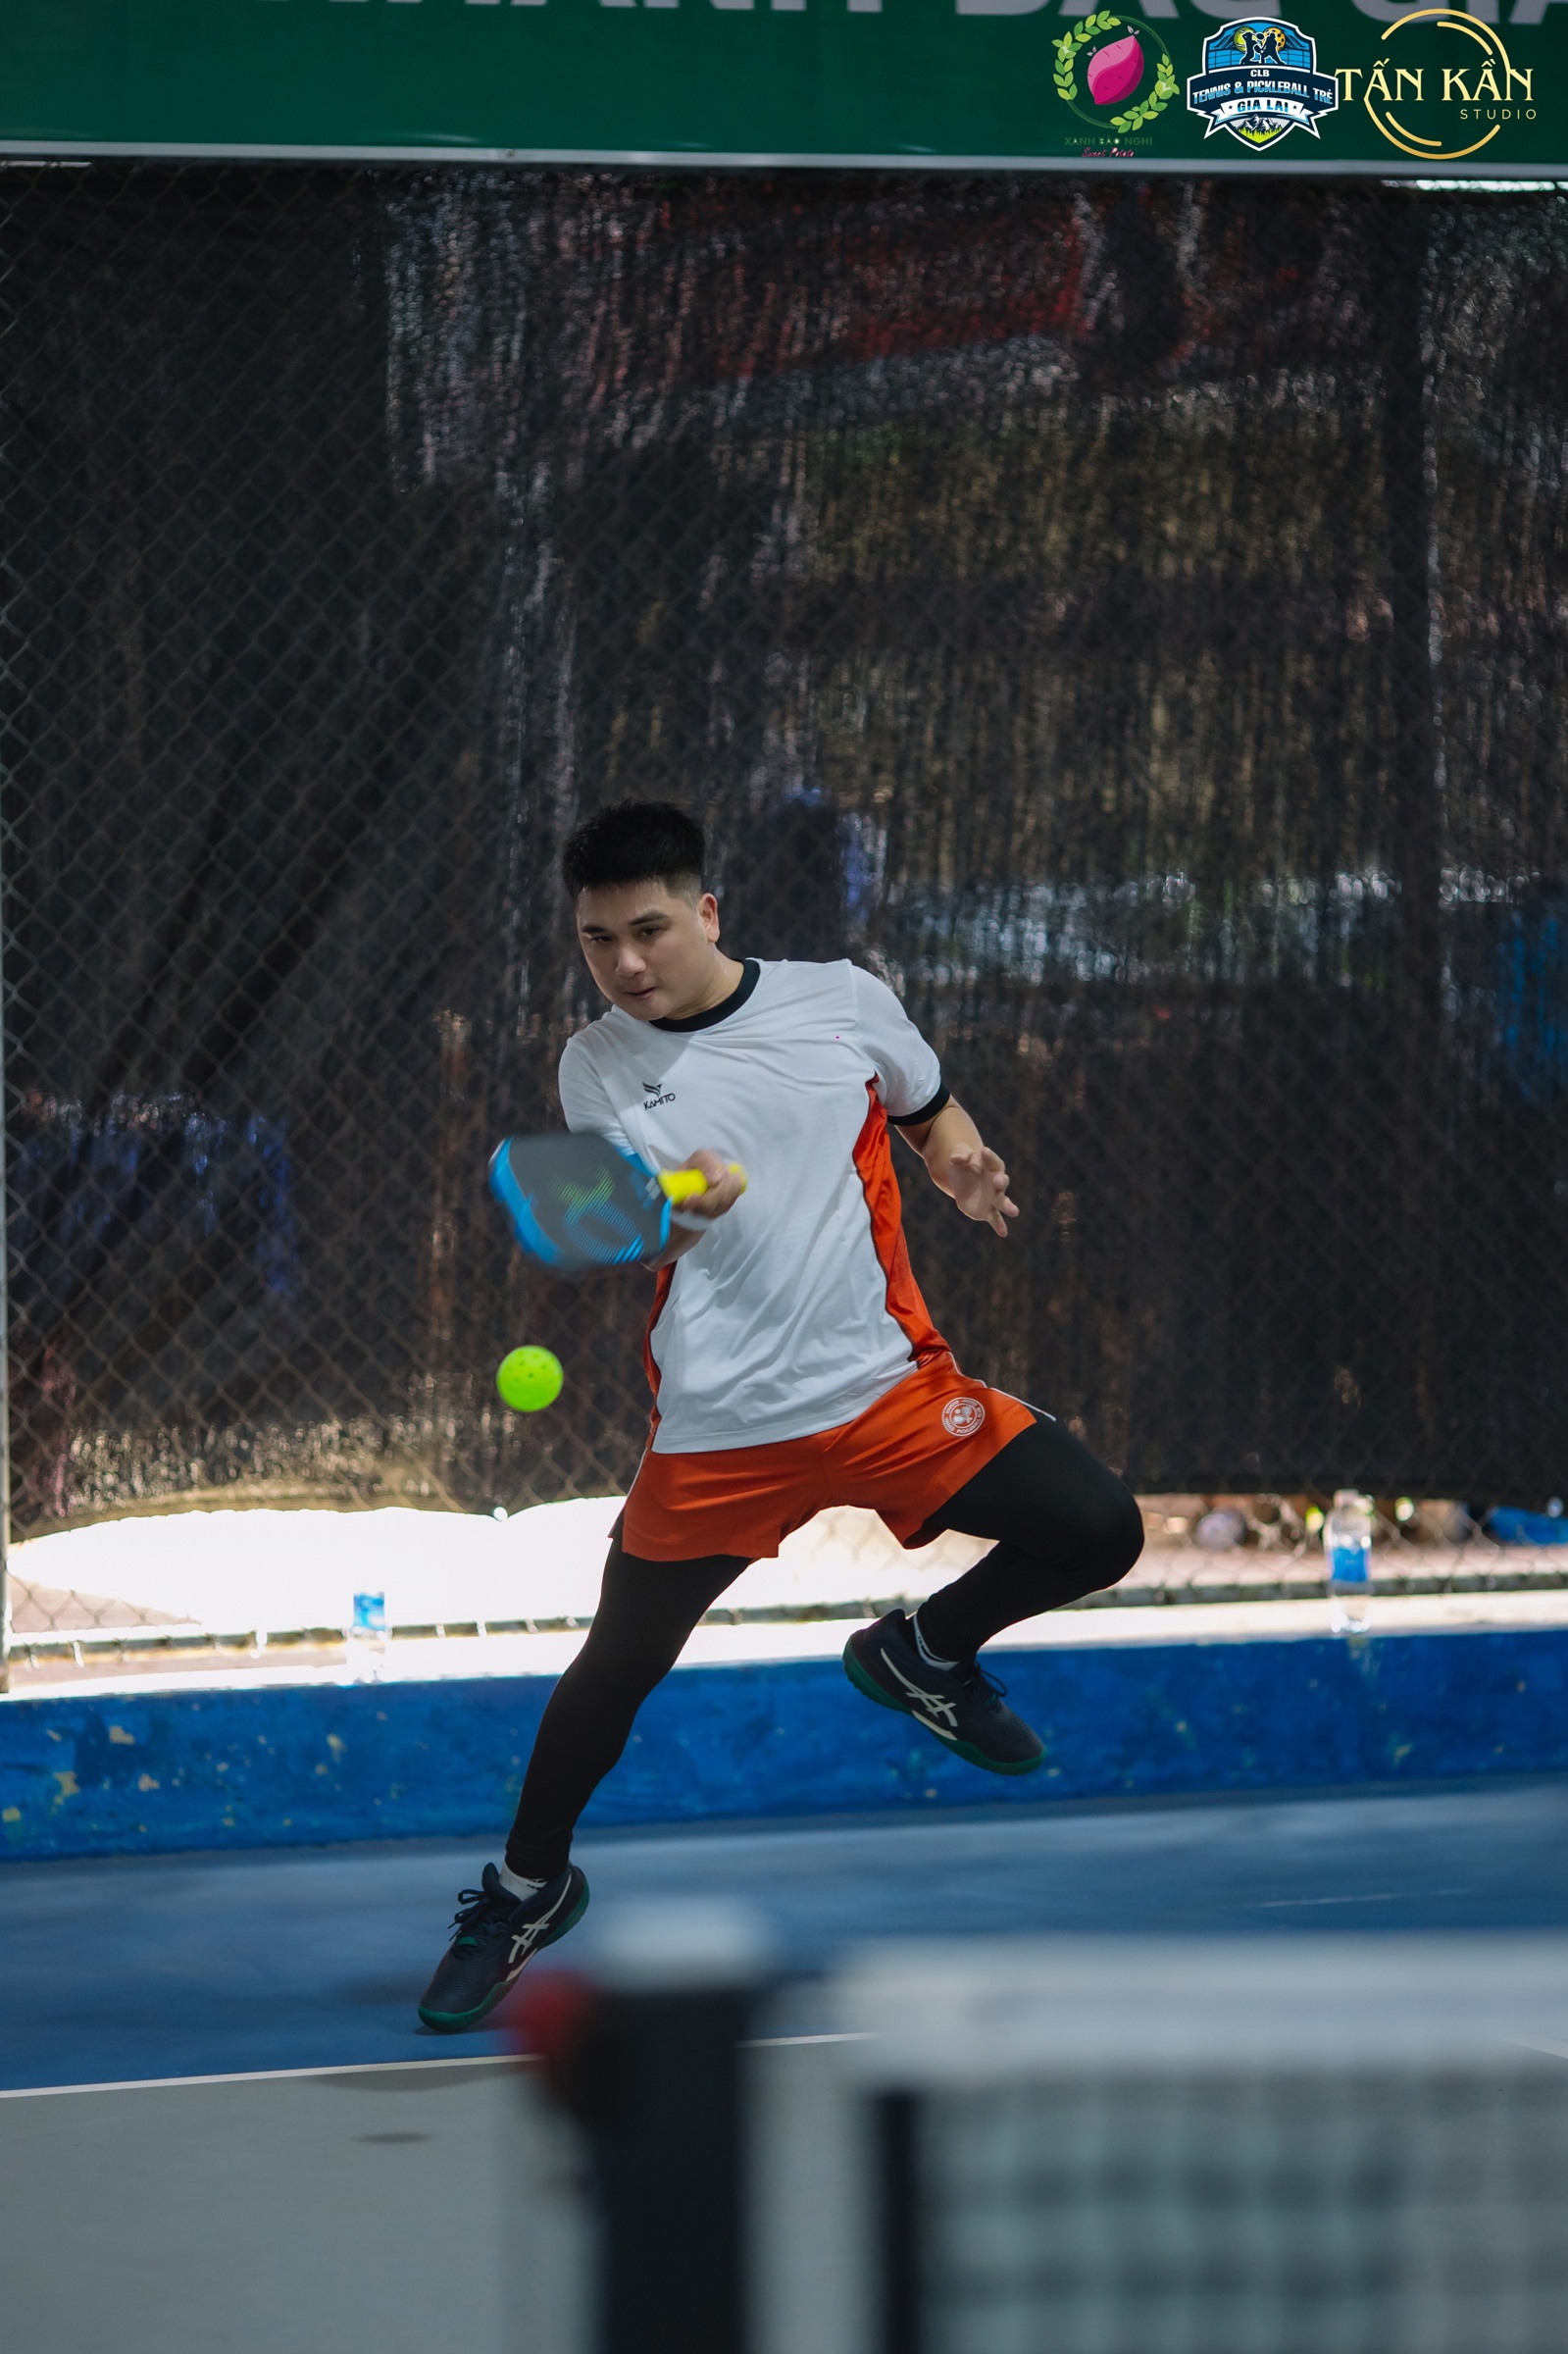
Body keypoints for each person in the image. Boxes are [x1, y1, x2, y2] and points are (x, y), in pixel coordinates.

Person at [418, 801, 1142, 2030]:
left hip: (886, 1387)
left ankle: (923, 1652)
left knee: (1099, 1528)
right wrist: (682, 1204)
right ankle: (527, 1891)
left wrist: (959, 1162)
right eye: (599, 940)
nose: (627, 962)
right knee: (616, 1670)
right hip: (722, 1426)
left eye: (650, 929)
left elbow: (927, 1107)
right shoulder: (597, 1063)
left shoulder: (840, 1000)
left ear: (707, 912)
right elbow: (630, 1225)